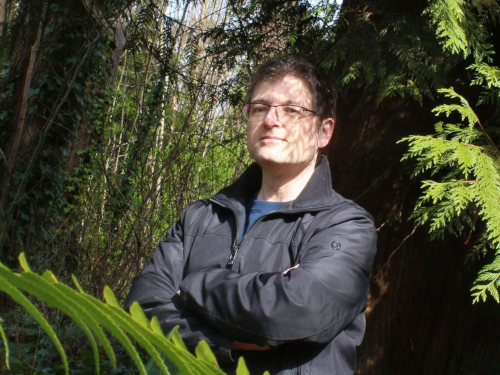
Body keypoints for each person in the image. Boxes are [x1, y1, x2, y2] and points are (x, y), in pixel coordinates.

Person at [125, 56, 377, 375]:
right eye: (260, 108)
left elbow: (296, 311)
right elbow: (141, 306)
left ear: (323, 132)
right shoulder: (200, 217)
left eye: (291, 110)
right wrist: (226, 344)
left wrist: (195, 284)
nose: (271, 120)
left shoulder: (345, 226)